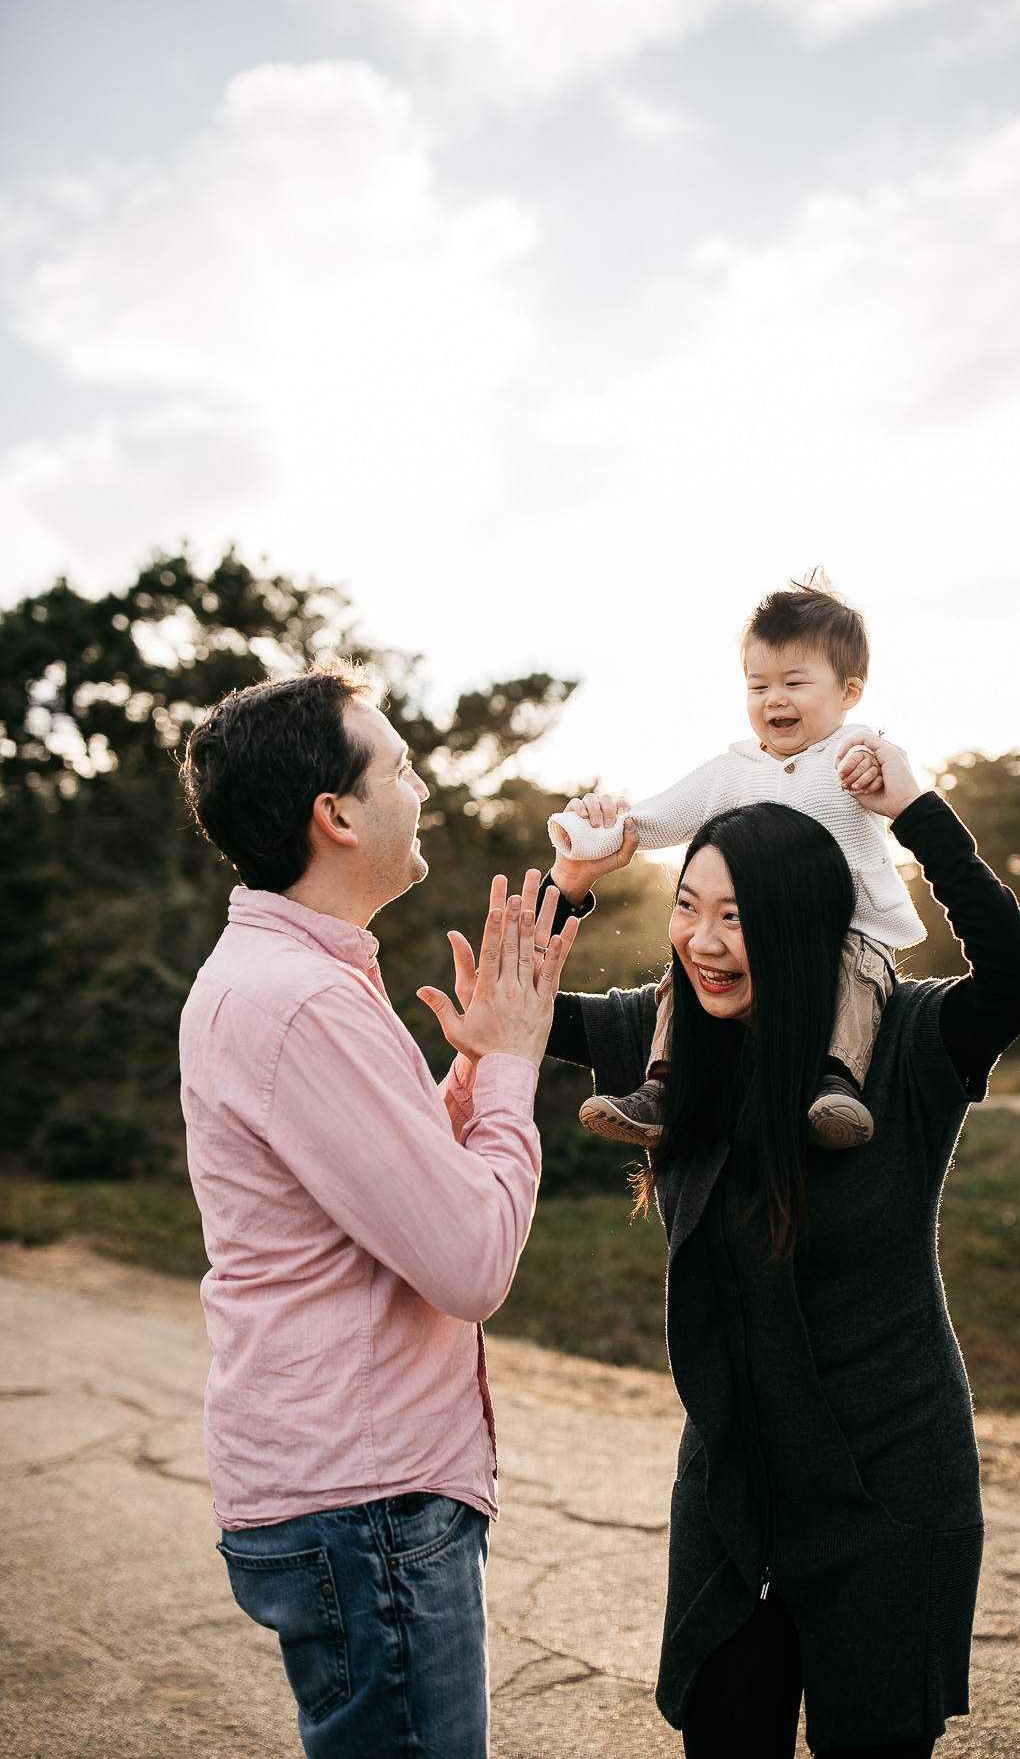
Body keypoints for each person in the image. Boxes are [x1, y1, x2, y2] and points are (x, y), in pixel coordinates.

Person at [530, 737, 1020, 1756]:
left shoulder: (903, 1039)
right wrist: (572, 883)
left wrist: (920, 814)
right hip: (733, 1481)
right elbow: (522, 1002)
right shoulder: (666, 1040)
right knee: (726, 1735)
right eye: (690, 905)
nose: (704, 940)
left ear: (809, 921)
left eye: (739, 916)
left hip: (889, 1480)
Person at [177, 659, 577, 1759]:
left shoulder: (288, 976)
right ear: (336, 814)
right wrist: (509, 1072)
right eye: (399, 766)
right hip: (367, 1508)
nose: (421, 787)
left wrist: (461, 1081)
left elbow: (372, 1193)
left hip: (345, 1499)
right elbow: (469, 1260)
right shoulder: (302, 1000)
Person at [547, 575, 924, 1154]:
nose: (774, 699)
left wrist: (888, 781)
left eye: (795, 683)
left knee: (856, 973)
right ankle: (663, 1088)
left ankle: (835, 1083)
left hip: (850, 925)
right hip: (764, 953)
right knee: (679, 978)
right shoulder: (734, 771)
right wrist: (593, 840)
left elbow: (886, 784)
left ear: (850, 691)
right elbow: (664, 815)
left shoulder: (856, 753)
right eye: (758, 685)